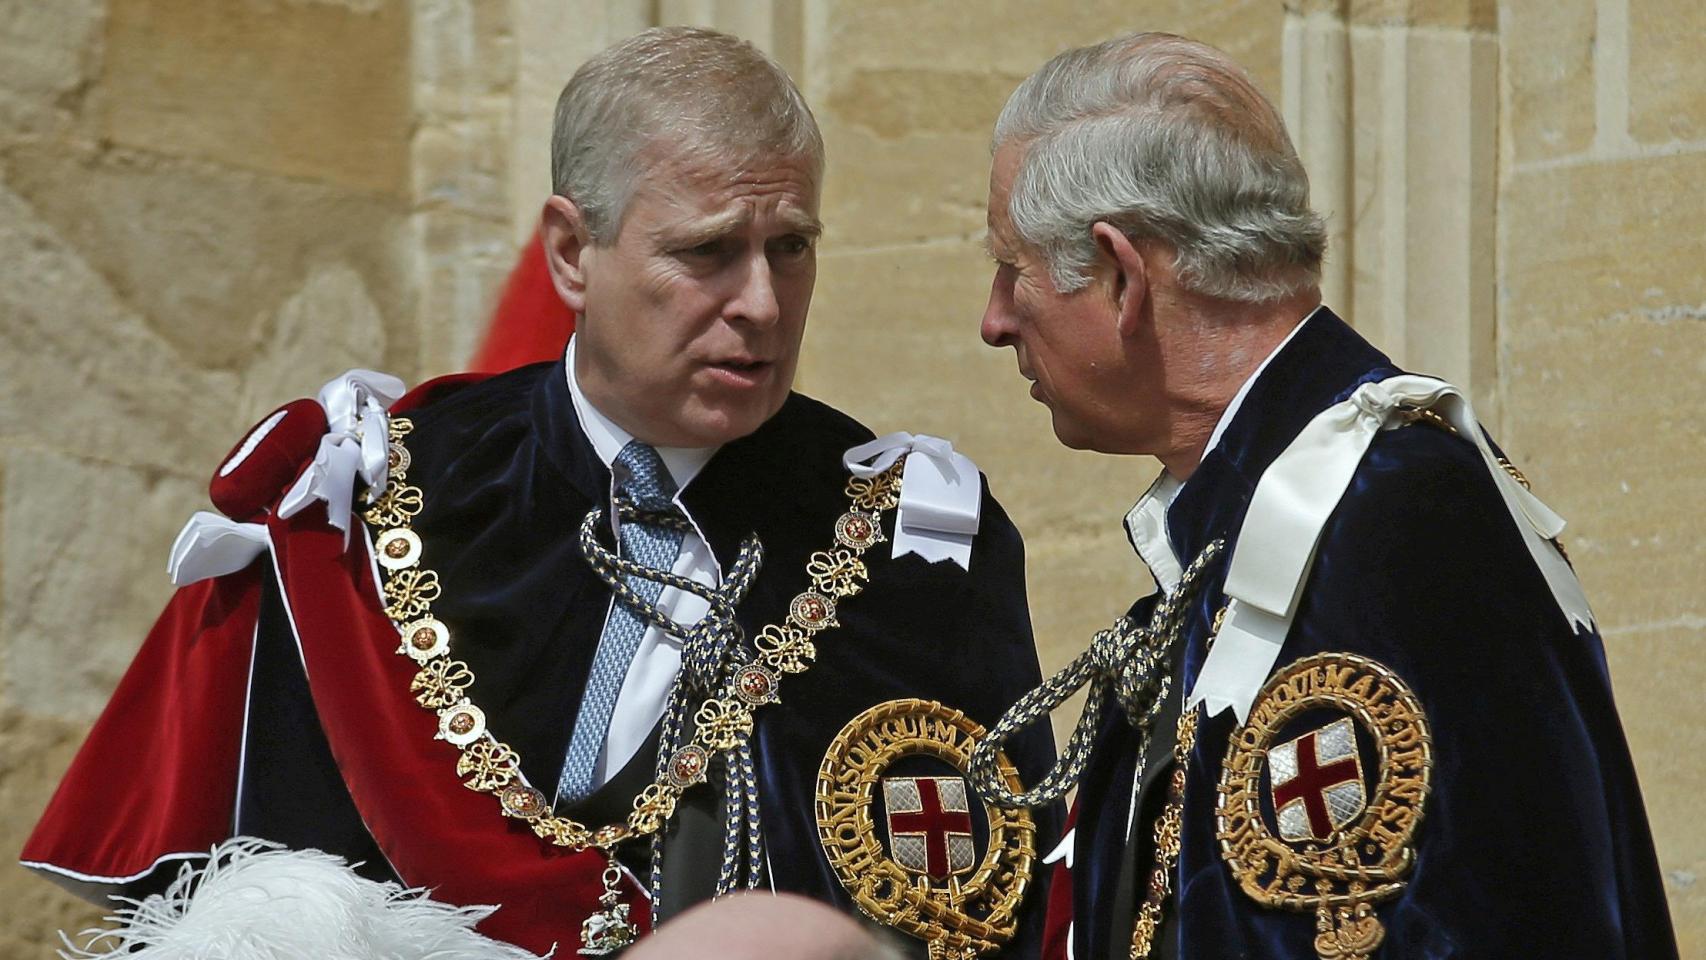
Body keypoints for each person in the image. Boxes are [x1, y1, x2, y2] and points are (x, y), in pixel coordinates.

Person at [23, 27, 1056, 958]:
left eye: (789, 247)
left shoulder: (916, 554)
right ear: (571, 253)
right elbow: (224, 904)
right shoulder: (365, 509)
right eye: (706, 251)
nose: (759, 303)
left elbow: (988, 912)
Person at [968, 31, 1678, 960]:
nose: (993, 320)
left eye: (1013, 270)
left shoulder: (1398, 515)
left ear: (1120, 277)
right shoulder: (1255, 523)